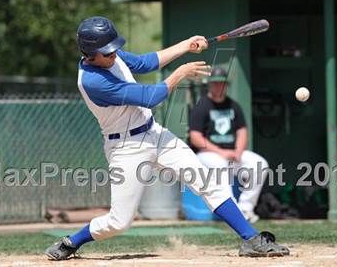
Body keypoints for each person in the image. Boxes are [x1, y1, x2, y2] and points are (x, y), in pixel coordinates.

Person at [45, 16, 289, 260]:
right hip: (125, 147)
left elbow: (144, 63)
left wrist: (186, 45)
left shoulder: (109, 56)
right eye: (107, 53)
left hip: (155, 133)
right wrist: (181, 72)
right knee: (119, 222)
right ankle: (71, 241)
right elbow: (151, 96)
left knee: (206, 181)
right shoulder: (92, 81)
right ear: (89, 54)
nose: (114, 55)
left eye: (114, 49)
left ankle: (251, 239)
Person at [189, 67, 268, 223]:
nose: (218, 86)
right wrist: (220, 151)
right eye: (215, 84)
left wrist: (238, 151)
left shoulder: (233, 105)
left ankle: (246, 208)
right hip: (208, 154)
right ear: (210, 85)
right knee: (220, 164)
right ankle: (233, 213)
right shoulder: (202, 105)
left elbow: (242, 131)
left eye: (221, 83)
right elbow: (195, 138)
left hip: (232, 152)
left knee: (260, 164)